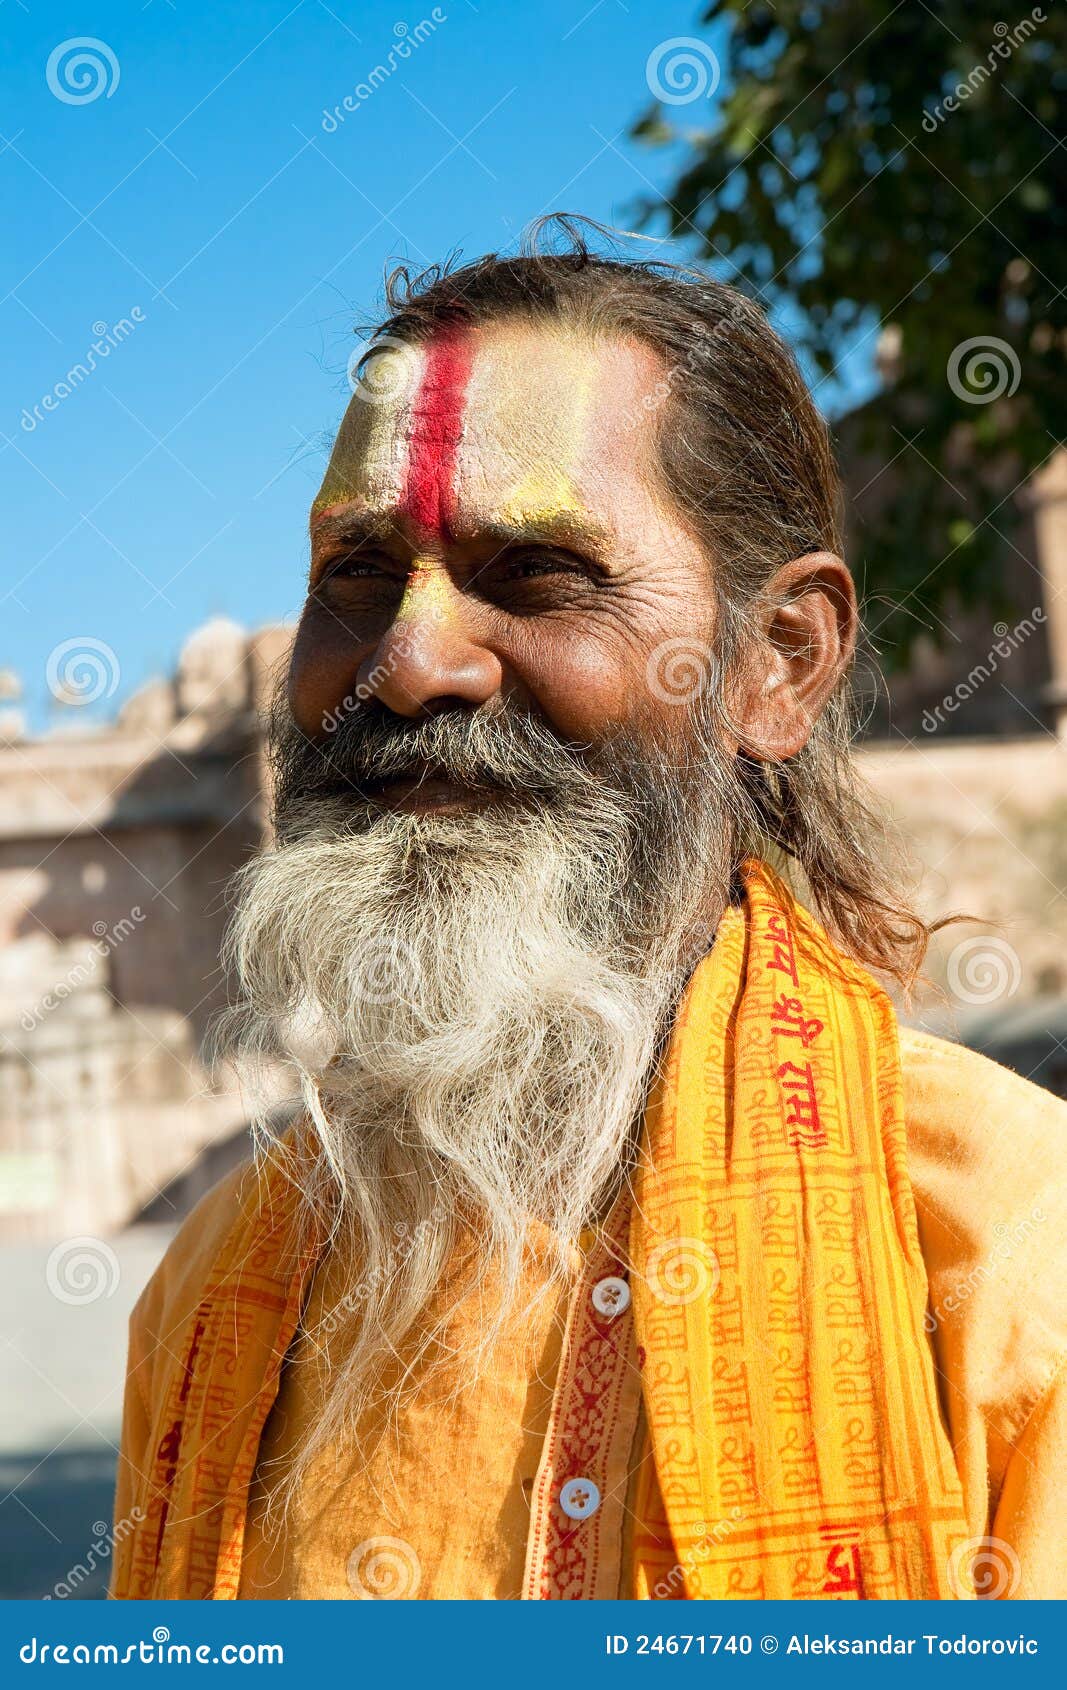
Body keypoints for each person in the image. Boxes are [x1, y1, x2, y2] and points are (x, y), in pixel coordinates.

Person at [110, 221, 1067, 1602]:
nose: (413, 660)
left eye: (540, 576)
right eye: (359, 578)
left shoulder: (1007, 1254)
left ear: (777, 664)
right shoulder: (214, 1297)